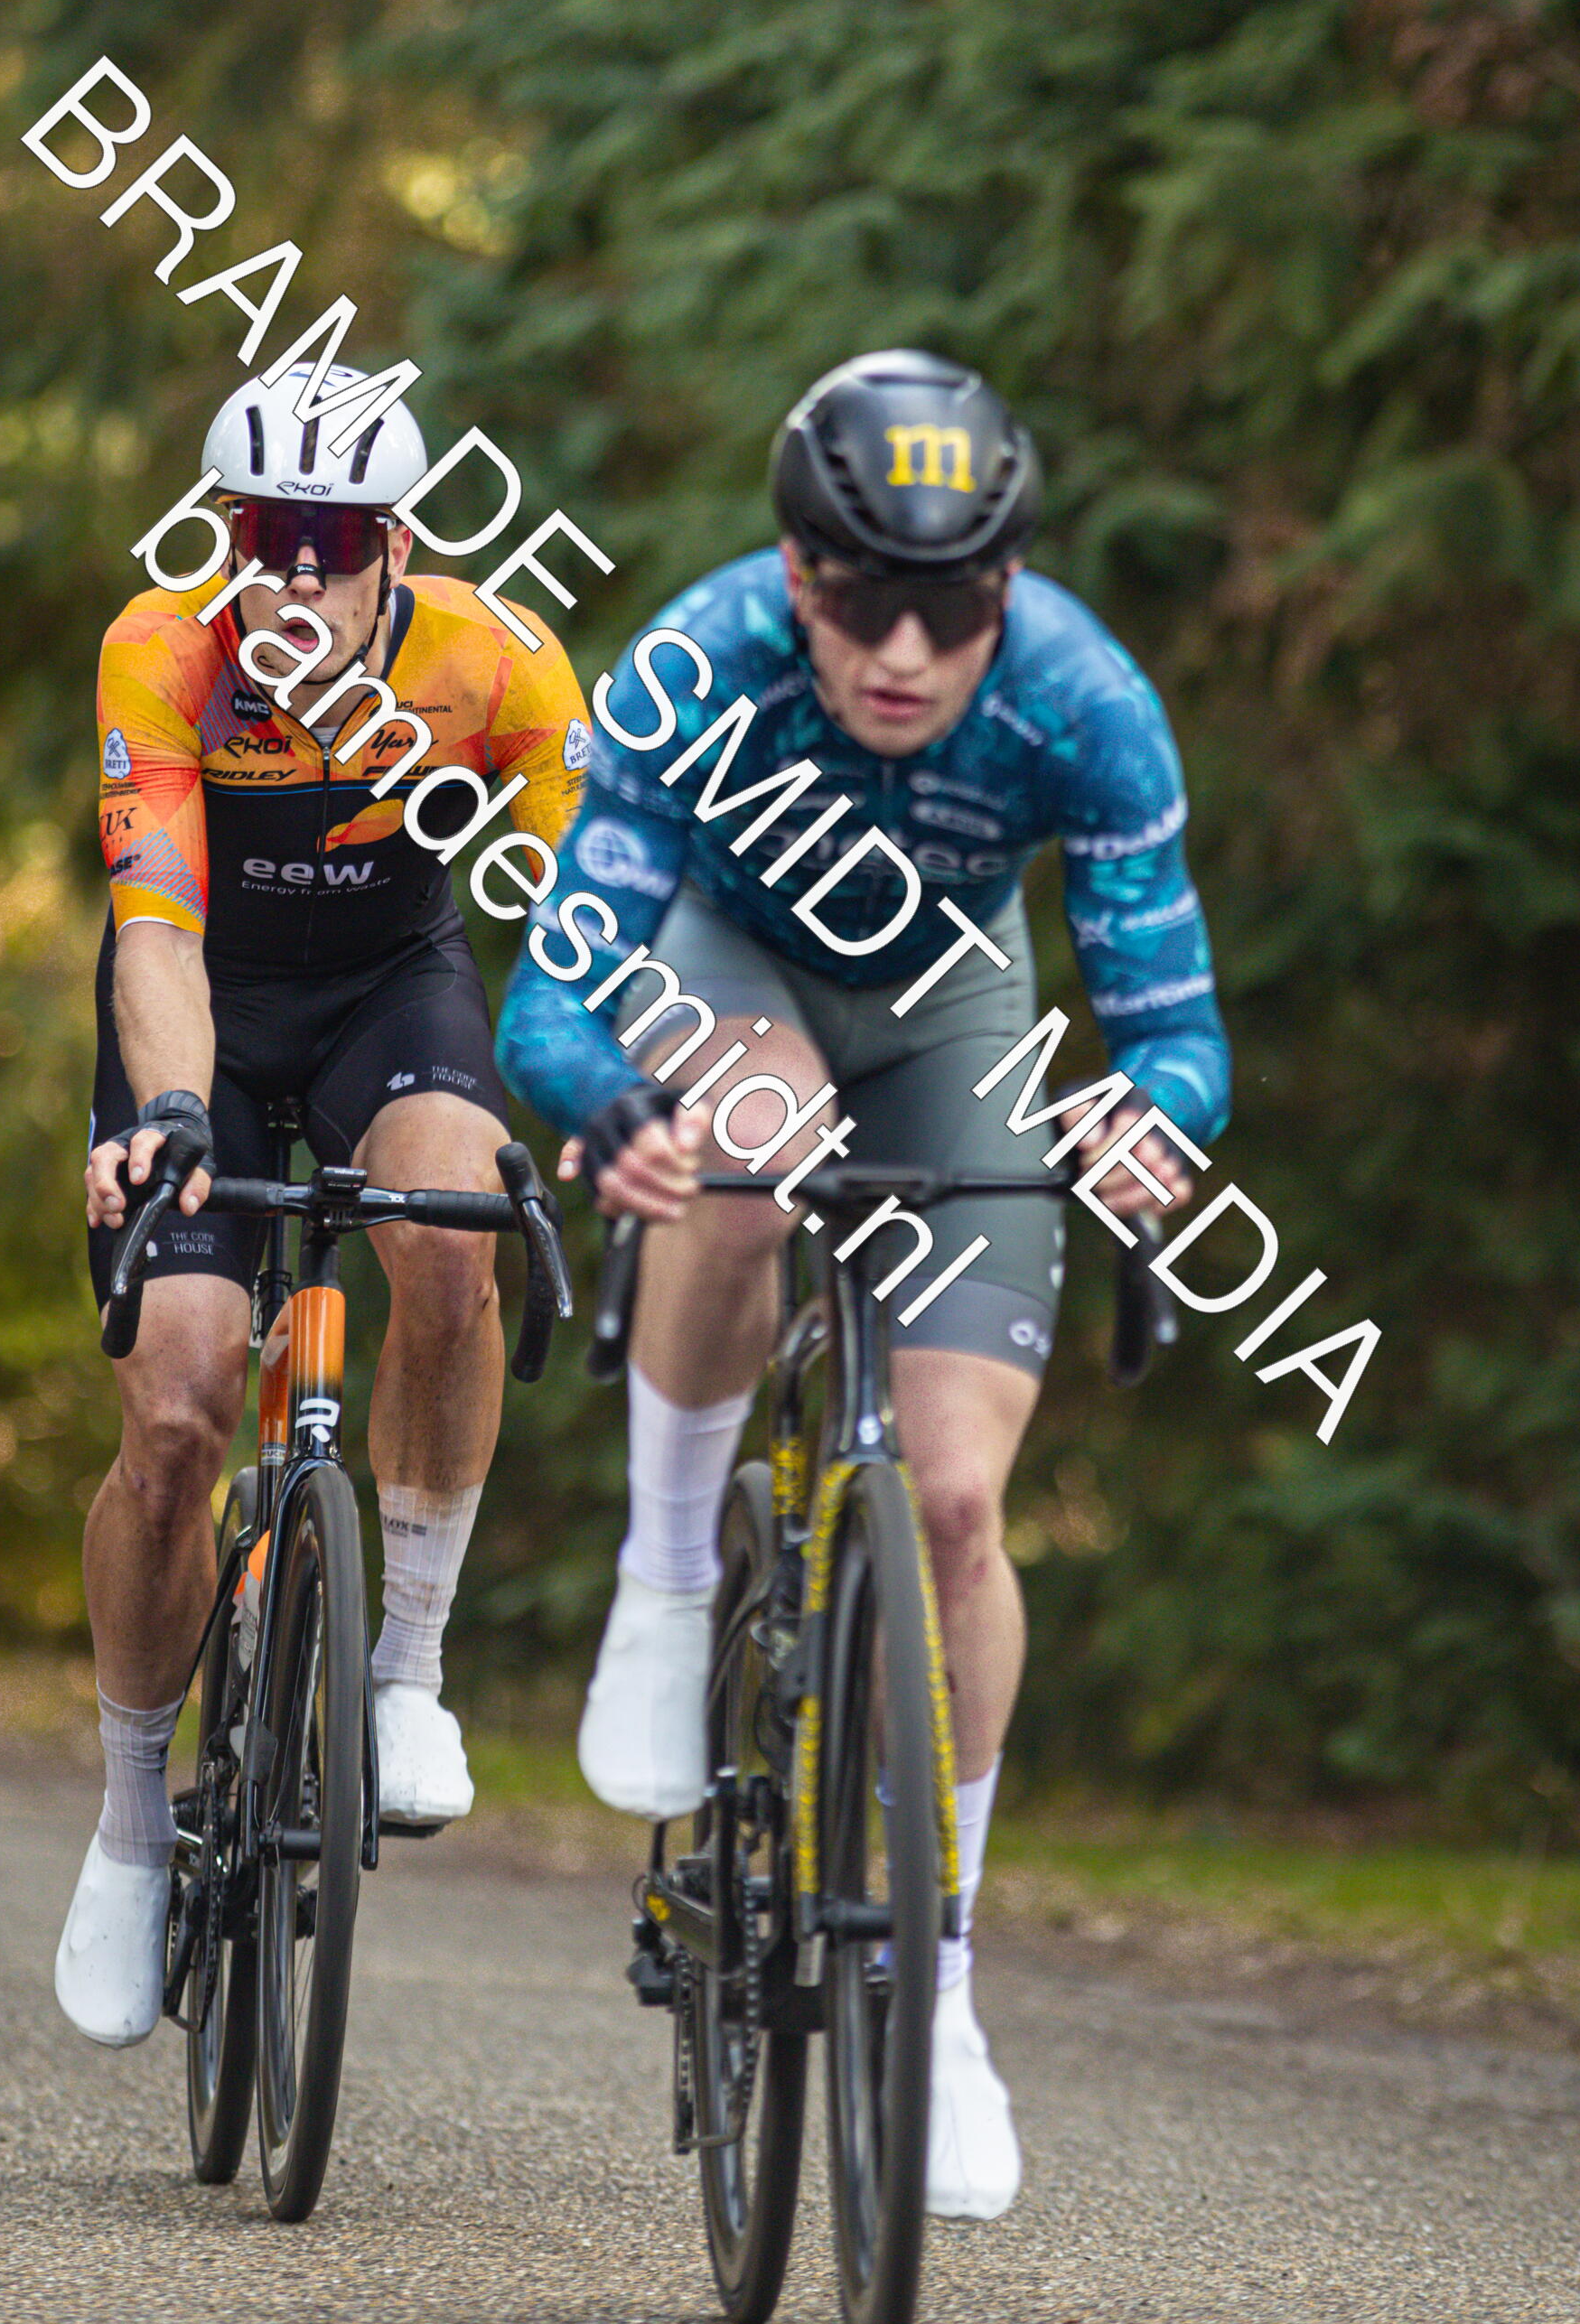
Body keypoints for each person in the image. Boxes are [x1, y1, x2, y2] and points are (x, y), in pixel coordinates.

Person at [496, 350, 1229, 2222]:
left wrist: (1149, 1123)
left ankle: (945, 1985)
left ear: (1008, 589)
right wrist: (604, 1104)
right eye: (864, 602)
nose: (905, 652)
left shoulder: (1084, 700)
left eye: (953, 609)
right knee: (752, 1161)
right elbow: (552, 992)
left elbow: (1174, 1032)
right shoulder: (698, 662)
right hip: (727, 961)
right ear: (795, 574)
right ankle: (672, 1574)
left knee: (962, 1502)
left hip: (948, 1002)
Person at [57, 368, 591, 2045]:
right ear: (226, 537)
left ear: (395, 549)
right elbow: (155, 924)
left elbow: (594, 917)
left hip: (389, 996)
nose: (295, 575)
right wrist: (167, 1113)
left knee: (451, 1235)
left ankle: (408, 1663)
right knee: (178, 1412)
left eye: (333, 541)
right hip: (201, 1017)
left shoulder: (496, 662)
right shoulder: (165, 650)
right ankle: (131, 1820)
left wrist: (618, 1096)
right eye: (265, 536)